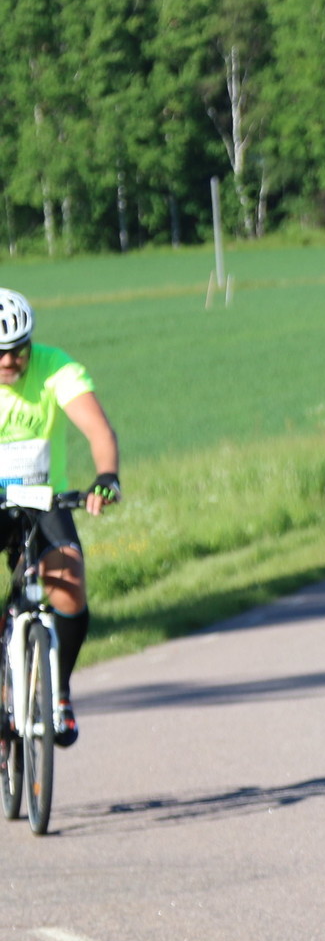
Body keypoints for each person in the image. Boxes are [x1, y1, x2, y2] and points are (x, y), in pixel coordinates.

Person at [0, 290, 121, 749]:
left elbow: (98, 429)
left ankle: (59, 691)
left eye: (18, 350)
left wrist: (106, 476)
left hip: (43, 498)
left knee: (69, 584)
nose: (9, 361)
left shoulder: (55, 367)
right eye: (0, 353)